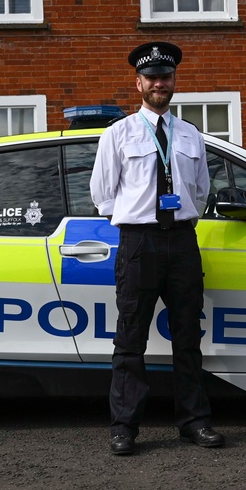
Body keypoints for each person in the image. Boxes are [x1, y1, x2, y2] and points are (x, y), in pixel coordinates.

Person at [90, 41, 224, 456]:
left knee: (188, 336)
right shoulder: (119, 133)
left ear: (173, 82)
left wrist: (177, 216)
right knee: (130, 338)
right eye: (152, 78)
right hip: (139, 242)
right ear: (139, 84)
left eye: (165, 77)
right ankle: (124, 428)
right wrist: (138, 216)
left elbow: (200, 191)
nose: (159, 83)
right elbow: (102, 194)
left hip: (182, 241)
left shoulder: (190, 134)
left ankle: (195, 422)